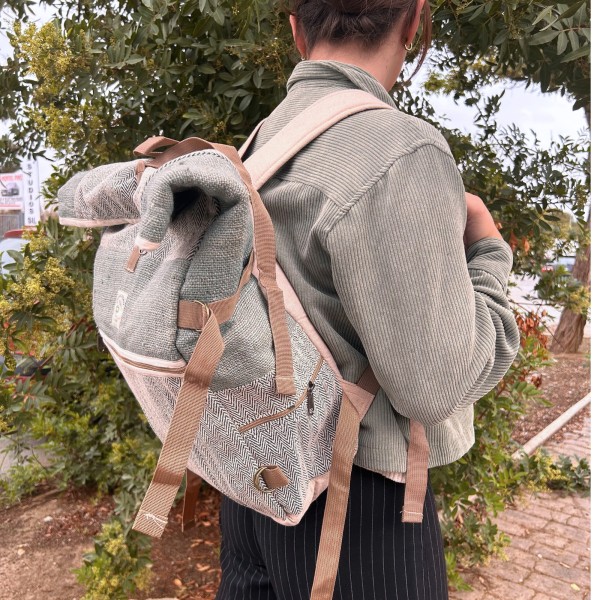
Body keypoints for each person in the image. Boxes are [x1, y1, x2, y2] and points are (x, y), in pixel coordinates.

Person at [216, 0, 521, 598]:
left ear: (297, 28)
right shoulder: (400, 151)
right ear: (414, 21)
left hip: (255, 480)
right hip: (356, 506)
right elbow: (436, 386)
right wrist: (487, 248)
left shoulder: (262, 143)